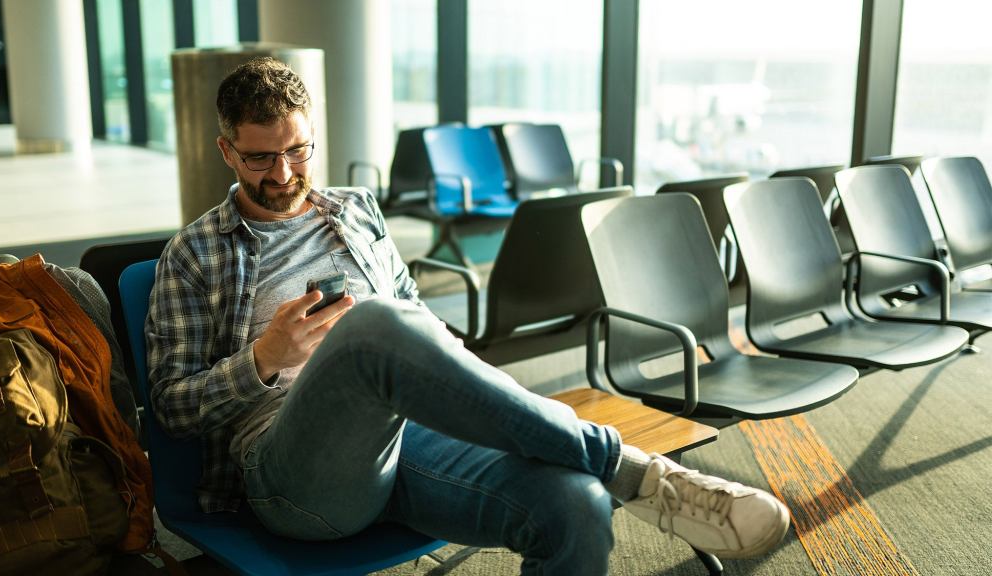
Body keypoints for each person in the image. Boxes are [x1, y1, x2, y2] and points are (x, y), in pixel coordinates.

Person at [147, 57, 789, 574]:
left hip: (406, 439)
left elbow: (417, 316)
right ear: (227, 152)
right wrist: (265, 360)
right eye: (260, 158)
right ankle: (630, 466)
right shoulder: (194, 254)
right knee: (376, 326)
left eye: (299, 151)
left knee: (573, 505)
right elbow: (171, 409)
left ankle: (606, 476)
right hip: (293, 479)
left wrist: (445, 370)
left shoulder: (355, 209)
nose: (284, 173)